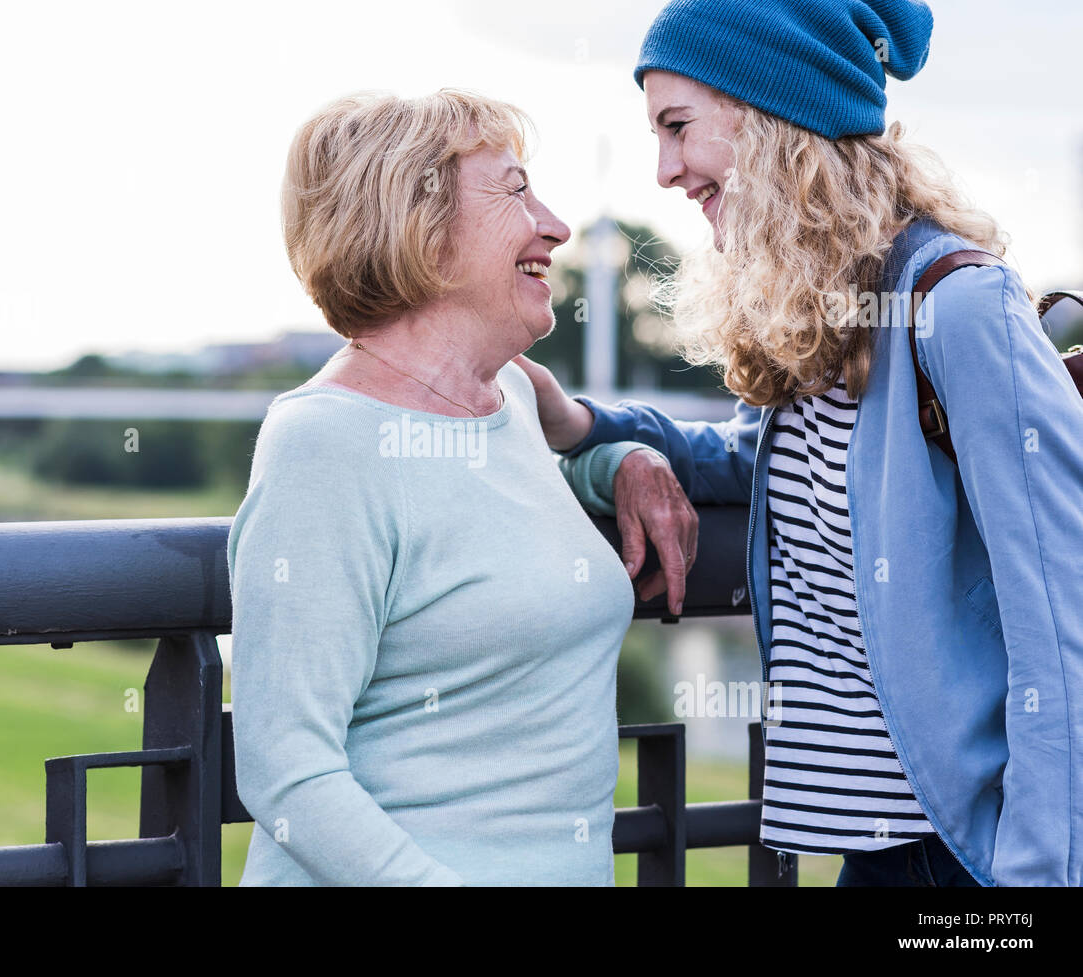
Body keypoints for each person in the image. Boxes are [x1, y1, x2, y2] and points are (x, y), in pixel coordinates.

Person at [518, 0, 1083, 886]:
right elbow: (755, 464)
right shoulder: (830, 313)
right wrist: (591, 432)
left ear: (776, 116)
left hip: (969, 859)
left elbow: (1065, 619)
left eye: (678, 126)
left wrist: (1036, 882)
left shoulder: (958, 310)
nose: (664, 170)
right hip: (880, 853)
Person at [227, 90, 675, 885]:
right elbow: (287, 769)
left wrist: (622, 464)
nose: (556, 226)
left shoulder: (508, 397)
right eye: (514, 190)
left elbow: (503, 500)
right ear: (420, 231)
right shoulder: (323, 445)